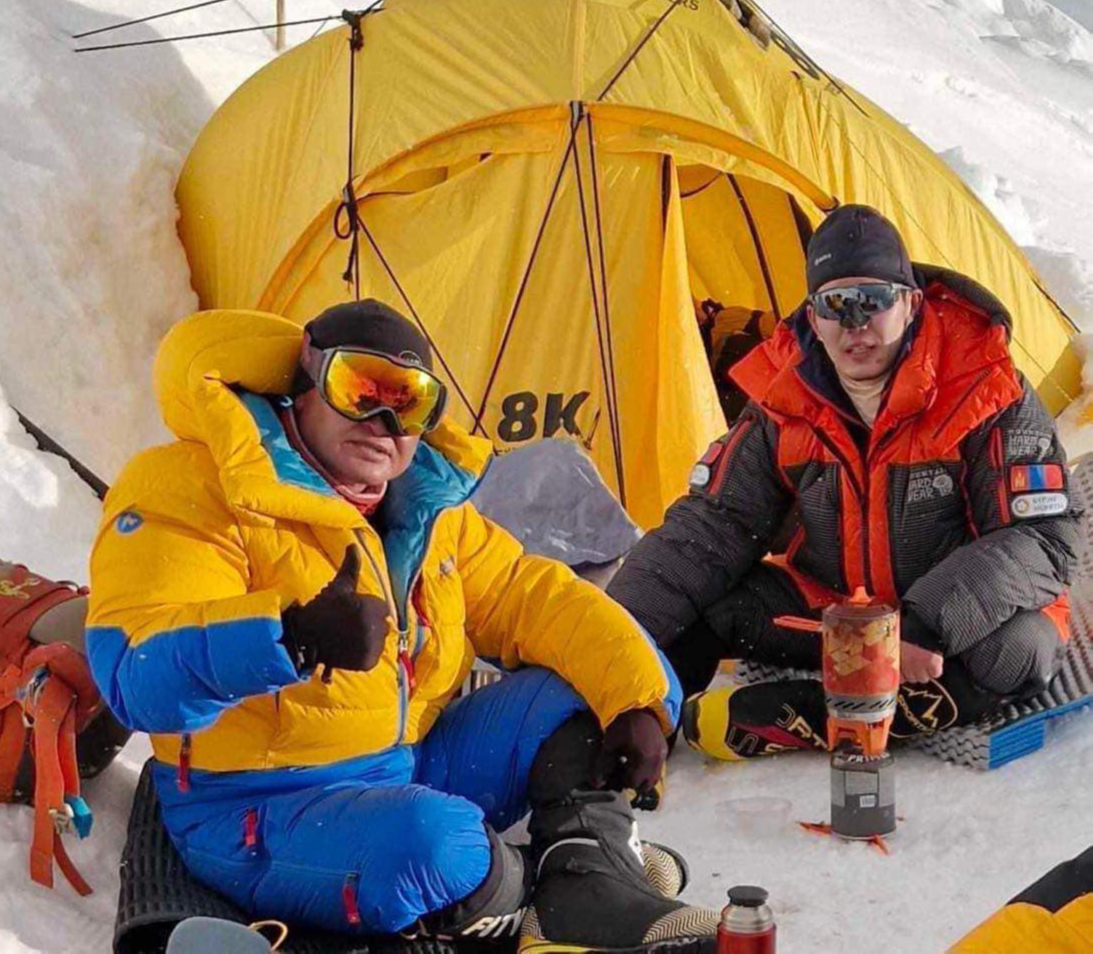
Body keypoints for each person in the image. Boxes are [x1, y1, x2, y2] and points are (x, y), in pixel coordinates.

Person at [87, 300, 719, 951]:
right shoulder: (190, 485)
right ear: (302, 384)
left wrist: (640, 699)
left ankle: (589, 885)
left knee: (588, 685)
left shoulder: (424, 508)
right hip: (256, 804)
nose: (383, 420)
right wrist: (287, 635)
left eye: (409, 400)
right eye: (359, 388)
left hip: (410, 761)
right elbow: (133, 673)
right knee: (433, 843)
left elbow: (527, 593)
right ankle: (538, 895)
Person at [609, 205, 1079, 758]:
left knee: (1018, 648)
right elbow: (715, 524)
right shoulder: (785, 398)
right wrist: (613, 642)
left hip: (947, 632)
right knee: (701, 603)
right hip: (837, 614)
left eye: (873, 299)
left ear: (910, 300)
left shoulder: (984, 385)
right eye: (836, 304)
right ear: (813, 316)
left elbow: (1045, 537)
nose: (855, 325)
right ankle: (633, 715)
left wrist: (928, 623)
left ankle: (805, 715)